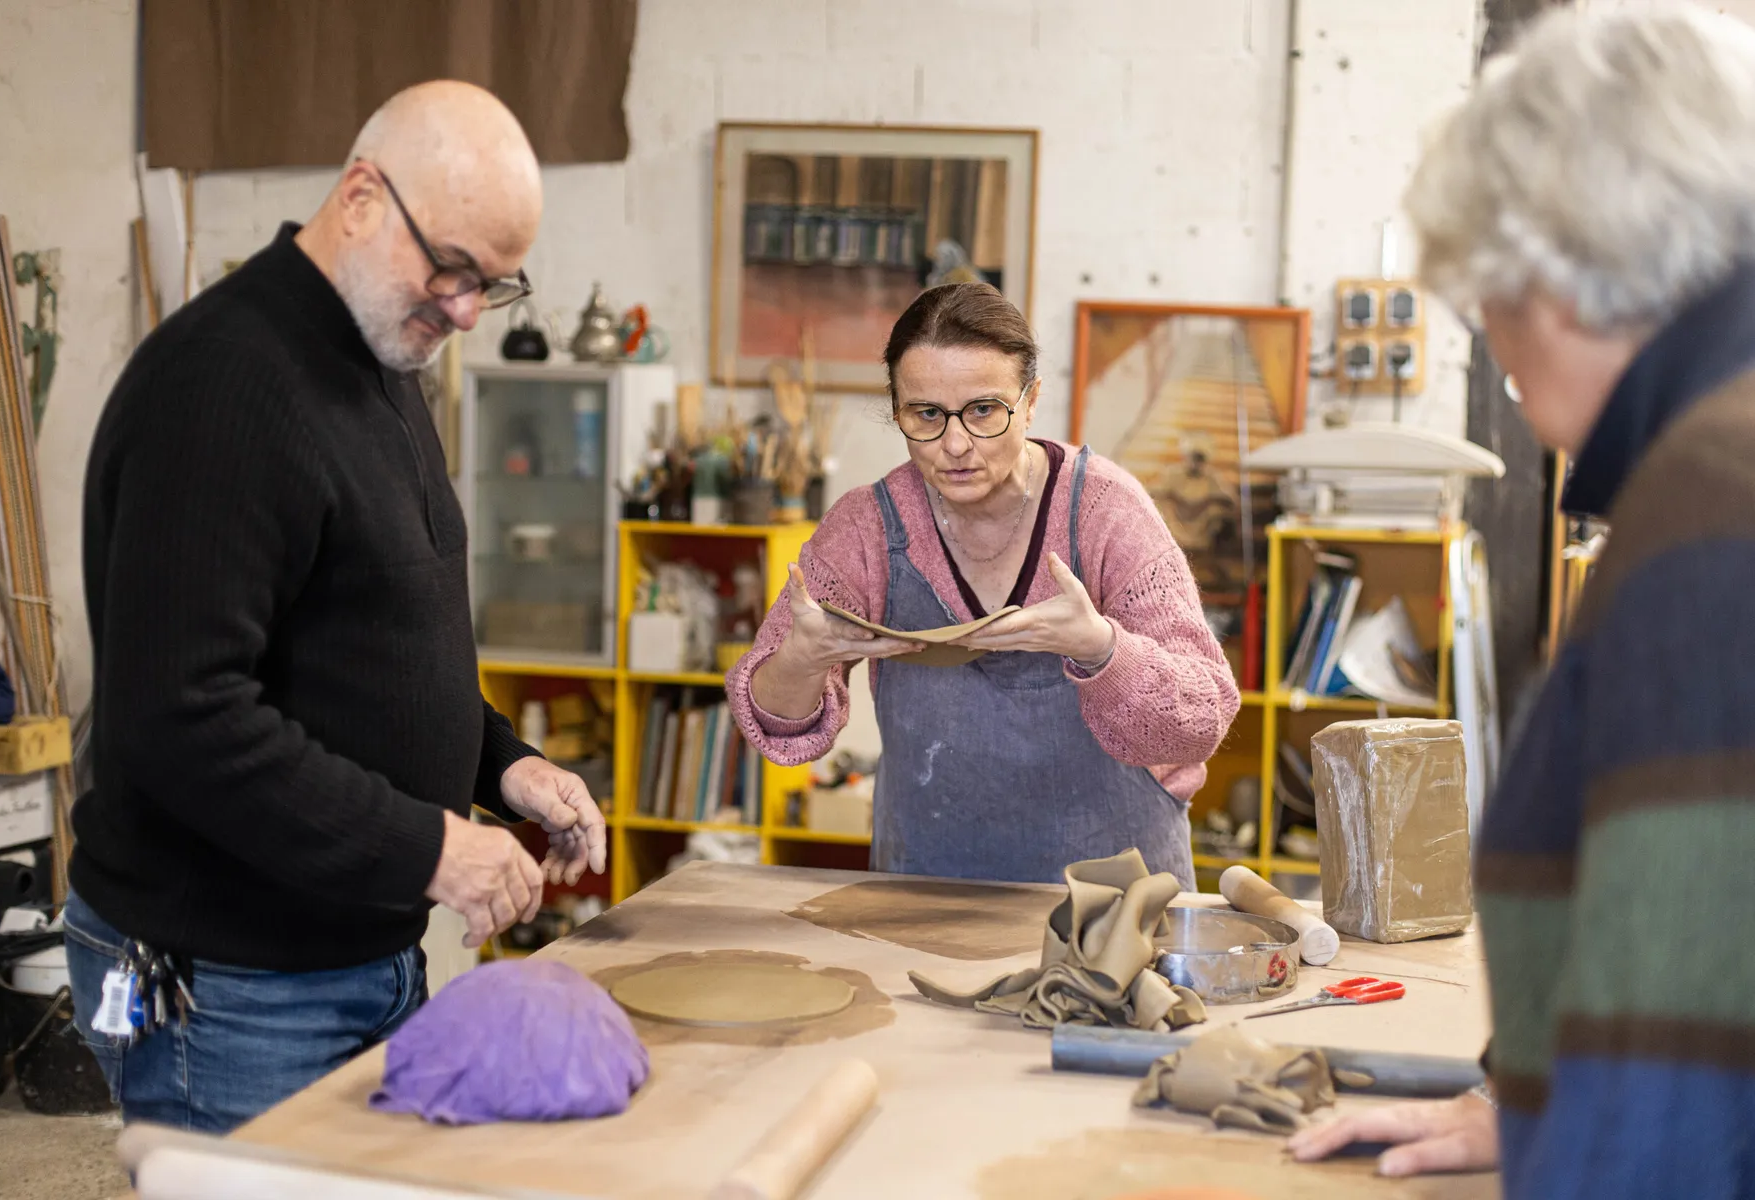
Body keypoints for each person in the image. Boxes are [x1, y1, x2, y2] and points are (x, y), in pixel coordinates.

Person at [64, 81, 608, 1132]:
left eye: (490, 286)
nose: (461, 310)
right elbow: (182, 718)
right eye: (451, 269)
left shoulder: (381, 355)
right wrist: (433, 849)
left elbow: (375, 641)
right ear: (361, 196)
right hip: (228, 986)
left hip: (351, 958)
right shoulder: (224, 388)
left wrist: (501, 764)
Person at [1288, 7, 1755, 1193]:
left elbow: (1680, 1036)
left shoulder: (1713, 500)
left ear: (1552, 281)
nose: (1496, 360)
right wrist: (1528, 1091)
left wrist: (1583, 1135)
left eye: (1482, 311)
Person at [725, 282, 1239, 886]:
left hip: (1116, 904)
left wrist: (1103, 649)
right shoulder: (867, 528)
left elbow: (1203, 717)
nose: (956, 444)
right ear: (897, 410)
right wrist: (800, 661)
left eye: (985, 410)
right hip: (928, 895)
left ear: (1030, 401)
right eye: (926, 415)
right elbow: (775, 723)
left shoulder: (1104, 511)